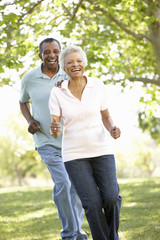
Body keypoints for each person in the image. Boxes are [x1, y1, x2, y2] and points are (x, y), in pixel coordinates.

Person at [49, 45, 122, 240]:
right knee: (92, 203)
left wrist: (113, 128)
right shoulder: (57, 92)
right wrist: (55, 128)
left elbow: (106, 116)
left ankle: (112, 236)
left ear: (84, 64)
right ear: (64, 67)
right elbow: (55, 124)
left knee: (111, 197)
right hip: (74, 155)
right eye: (70, 62)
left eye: (79, 61)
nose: (75, 65)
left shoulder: (97, 85)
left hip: (101, 150)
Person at [19, 38, 87, 240]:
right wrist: (30, 120)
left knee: (75, 187)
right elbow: (23, 102)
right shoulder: (29, 79)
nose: (51, 55)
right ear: (40, 55)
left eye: (56, 51)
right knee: (64, 184)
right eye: (47, 52)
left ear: (60, 53)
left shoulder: (68, 74)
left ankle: (78, 231)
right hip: (46, 141)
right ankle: (70, 234)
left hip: (71, 141)